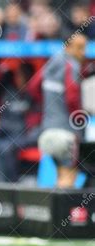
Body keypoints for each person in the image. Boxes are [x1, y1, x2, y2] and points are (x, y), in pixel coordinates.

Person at [38, 33, 87, 188]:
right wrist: (79, 120)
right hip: (65, 134)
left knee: (60, 175)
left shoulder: (51, 63)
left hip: (46, 134)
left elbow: (34, 87)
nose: (83, 53)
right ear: (68, 47)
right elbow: (72, 96)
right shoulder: (71, 65)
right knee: (69, 176)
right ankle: (62, 212)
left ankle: (54, 210)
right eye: (79, 48)